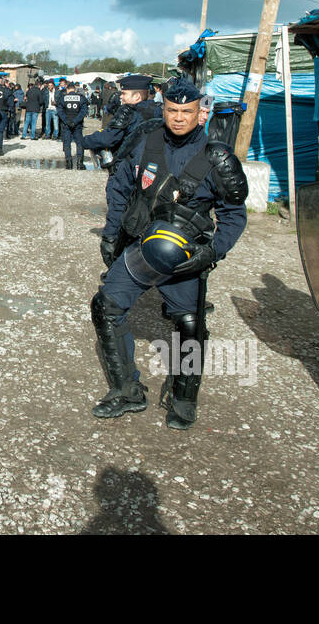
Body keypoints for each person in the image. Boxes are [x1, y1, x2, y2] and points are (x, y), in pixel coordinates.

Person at [91, 78, 247, 429]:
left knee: (190, 325)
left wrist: (212, 252)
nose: (179, 118)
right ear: (164, 109)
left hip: (185, 256)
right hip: (139, 247)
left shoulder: (216, 158)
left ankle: (183, 398)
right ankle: (126, 390)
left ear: (200, 113)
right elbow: (120, 188)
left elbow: (235, 217)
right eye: (173, 110)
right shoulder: (145, 141)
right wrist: (111, 232)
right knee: (105, 307)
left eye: (187, 112)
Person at [84, 74, 157, 172]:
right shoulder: (157, 109)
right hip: (151, 165)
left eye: (124, 93)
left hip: (129, 165)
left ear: (137, 96)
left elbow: (108, 138)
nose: (120, 97)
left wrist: (84, 141)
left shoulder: (127, 111)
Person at [57, 81, 88, 169]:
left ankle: (68, 163)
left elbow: (60, 112)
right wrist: (75, 121)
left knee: (67, 143)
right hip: (77, 124)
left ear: (67, 89)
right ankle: (79, 163)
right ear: (75, 89)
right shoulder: (81, 98)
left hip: (66, 125)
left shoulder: (63, 98)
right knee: (79, 143)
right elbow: (83, 112)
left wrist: (67, 121)